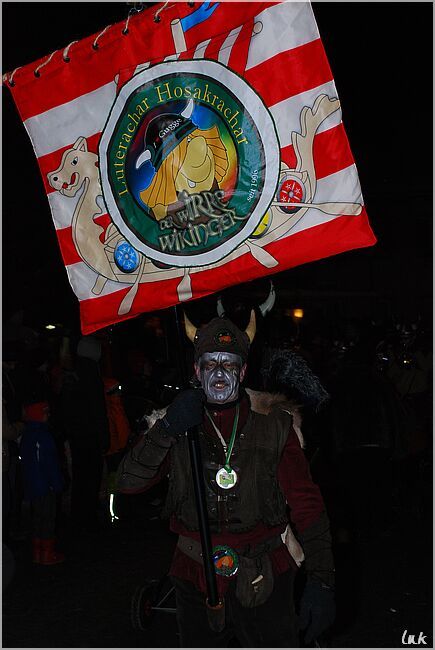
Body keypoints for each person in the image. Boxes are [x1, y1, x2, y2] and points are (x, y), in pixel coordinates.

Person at [117, 312, 335, 647]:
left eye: (229, 364)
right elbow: (128, 482)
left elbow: (307, 503)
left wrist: (322, 578)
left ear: (243, 371)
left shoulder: (275, 425)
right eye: (210, 363)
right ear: (197, 371)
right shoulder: (176, 423)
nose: (219, 372)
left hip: (265, 573)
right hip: (194, 574)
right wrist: (167, 429)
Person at [20, 400, 65, 564]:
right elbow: (50, 463)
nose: (48, 415)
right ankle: (46, 553)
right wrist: (57, 483)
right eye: (45, 413)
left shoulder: (27, 435)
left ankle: (37, 552)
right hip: (46, 485)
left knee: (37, 518)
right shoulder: (43, 435)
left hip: (34, 485)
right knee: (47, 518)